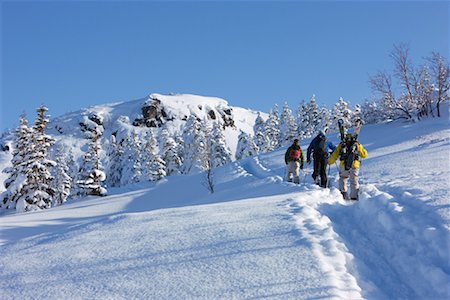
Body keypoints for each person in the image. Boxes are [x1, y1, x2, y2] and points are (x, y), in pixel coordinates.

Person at [328, 133, 368, 200]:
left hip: (344, 165)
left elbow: (335, 155)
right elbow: (364, 155)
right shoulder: (356, 144)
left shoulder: (342, 145)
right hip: (354, 165)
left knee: (343, 178)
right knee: (354, 180)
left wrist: (329, 162)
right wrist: (359, 147)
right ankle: (354, 197)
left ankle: (343, 194)